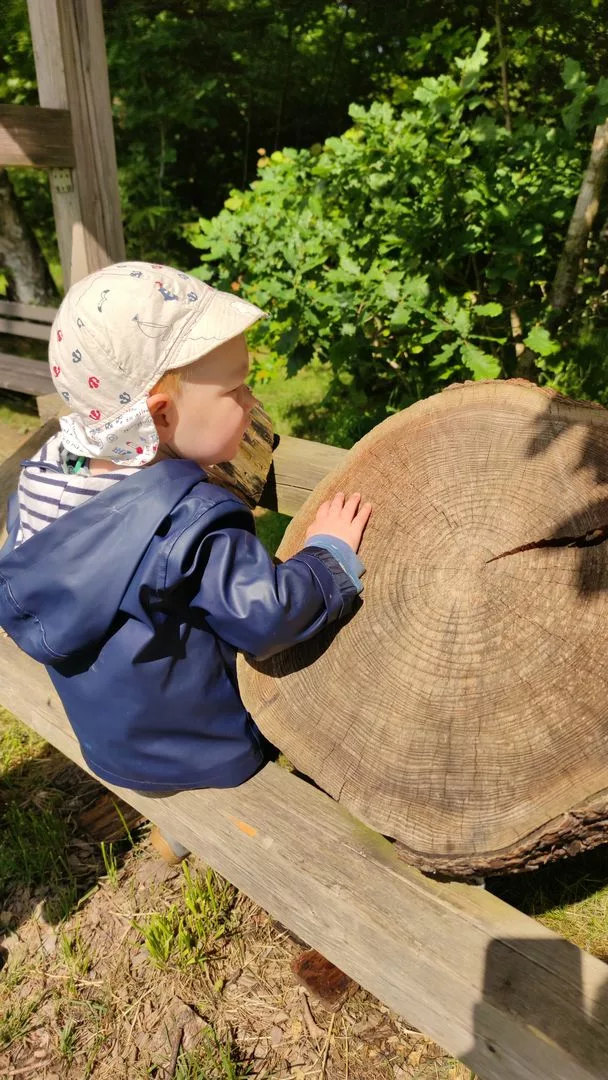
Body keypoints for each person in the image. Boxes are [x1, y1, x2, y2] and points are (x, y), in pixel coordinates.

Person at [0, 262, 371, 858]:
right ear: (160, 415)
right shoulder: (188, 524)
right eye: (236, 389)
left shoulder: (46, 479)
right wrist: (327, 556)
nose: (253, 401)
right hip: (208, 746)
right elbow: (269, 615)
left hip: (114, 741)